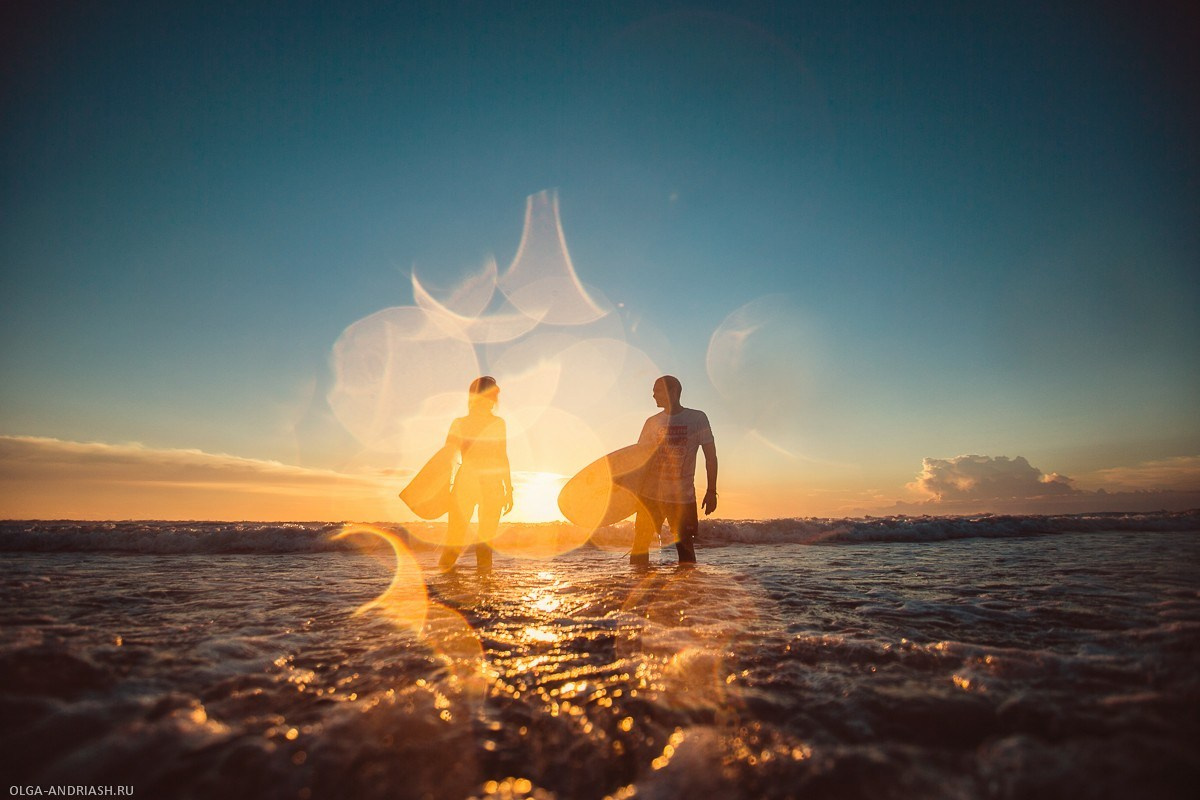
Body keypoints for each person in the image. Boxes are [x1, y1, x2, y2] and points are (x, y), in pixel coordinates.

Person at [631, 375, 717, 566]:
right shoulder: (651, 422)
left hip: (681, 497)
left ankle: (686, 591)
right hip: (649, 495)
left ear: (674, 392)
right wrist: (634, 494)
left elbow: (711, 457)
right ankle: (637, 590)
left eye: (657, 390)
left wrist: (712, 491)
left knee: (685, 545)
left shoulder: (697, 418)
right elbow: (640, 460)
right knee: (640, 544)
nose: (653, 395)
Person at [439, 376, 513, 572]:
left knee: (455, 539)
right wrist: (508, 490)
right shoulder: (498, 423)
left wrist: (445, 487)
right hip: (491, 483)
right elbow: (501, 456)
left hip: (467, 482)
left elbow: (447, 457)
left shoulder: (460, 423)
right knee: (484, 544)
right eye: (494, 394)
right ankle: (483, 588)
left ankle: (442, 587)